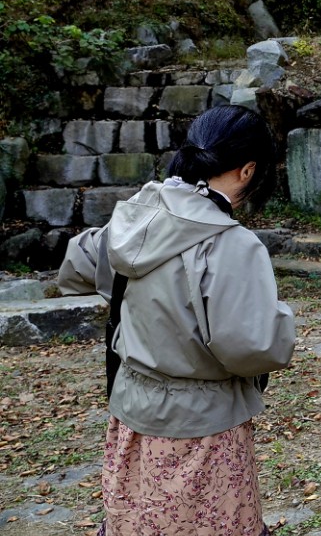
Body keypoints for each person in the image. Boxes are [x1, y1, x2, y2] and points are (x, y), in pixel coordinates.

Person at [58, 105, 297, 536]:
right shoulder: (230, 244)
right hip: (201, 426)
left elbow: (78, 262)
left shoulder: (138, 216)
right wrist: (282, 321)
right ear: (247, 170)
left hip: (132, 411)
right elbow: (253, 346)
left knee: (138, 521)